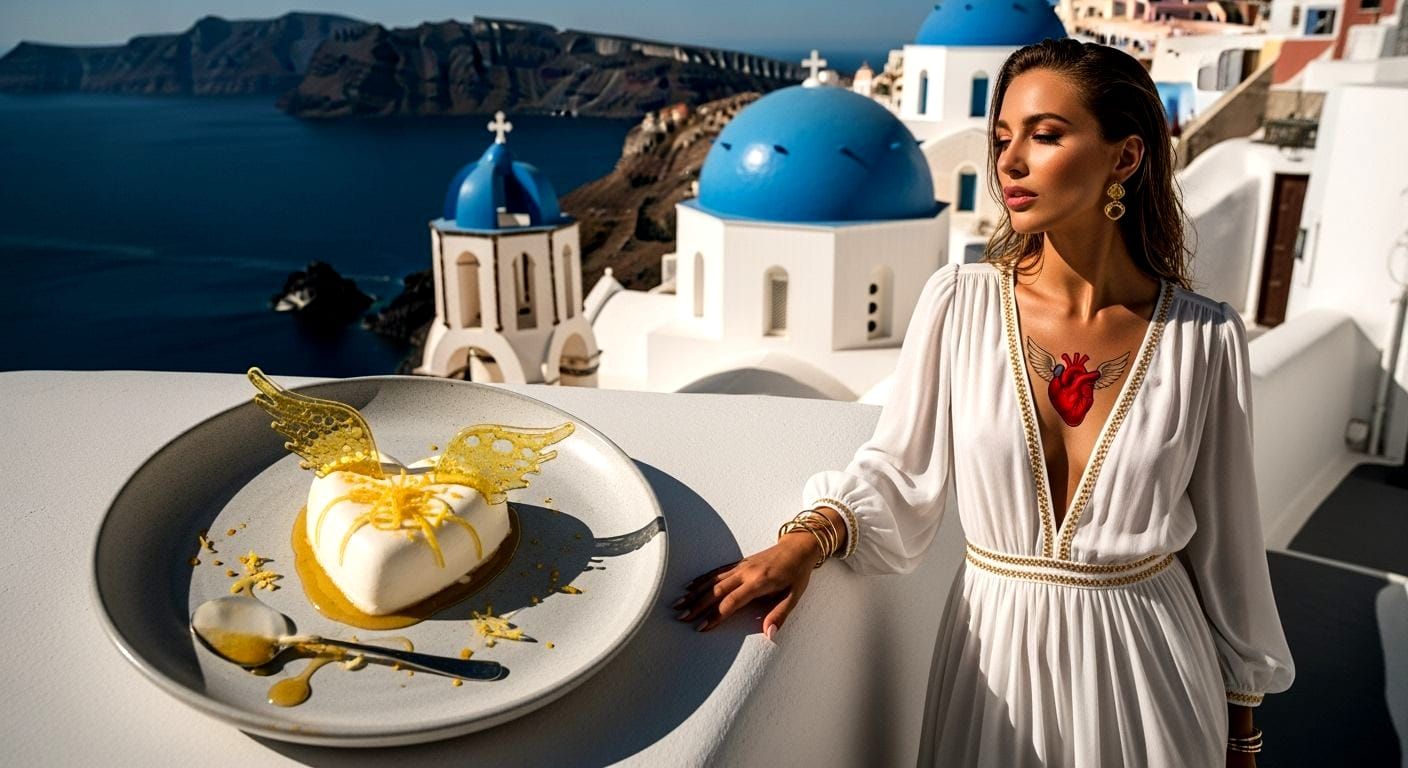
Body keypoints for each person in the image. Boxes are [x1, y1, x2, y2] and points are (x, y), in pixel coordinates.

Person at [672, 38, 1295, 767]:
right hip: (996, 658)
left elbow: (1228, 545)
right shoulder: (961, 304)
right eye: (1003, 138)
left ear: (1124, 159)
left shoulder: (1204, 337)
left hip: (1151, 666)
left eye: (1046, 135)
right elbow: (899, 473)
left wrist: (1244, 723)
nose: (1010, 161)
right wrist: (806, 542)